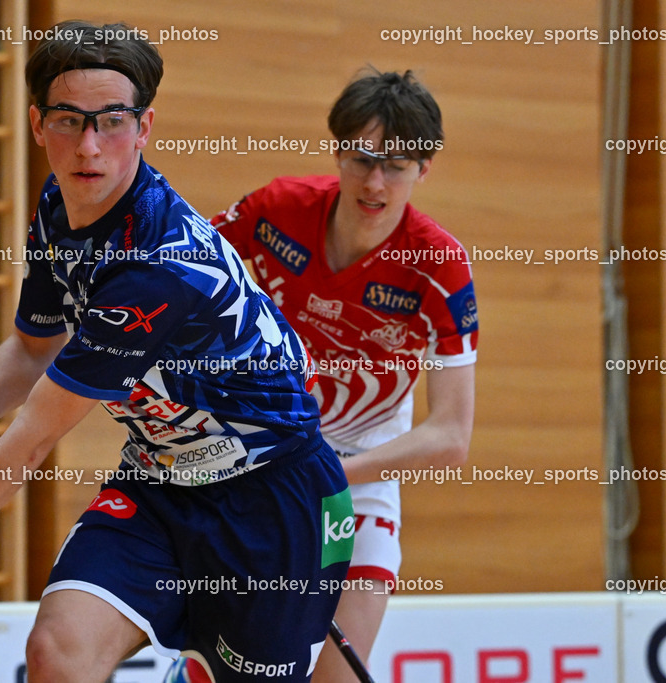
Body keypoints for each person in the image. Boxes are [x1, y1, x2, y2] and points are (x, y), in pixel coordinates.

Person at [0, 20, 353, 683]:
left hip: (272, 500)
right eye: (69, 120)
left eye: (112, 122)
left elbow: (33, 440)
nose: (89, 147)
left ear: (144, 128)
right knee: (57, 654)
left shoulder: (156, 266)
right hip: (157, 485)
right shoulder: (58, 208)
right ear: (38, 124)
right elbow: (33, 346)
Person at [167, 68, 477, 682]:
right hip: (256, 456)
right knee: (225, 668)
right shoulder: (276, 211)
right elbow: (176, 278)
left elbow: (450, 437)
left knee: (336, 675)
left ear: (424, 169)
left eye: (397, 165)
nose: (375, 181)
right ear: (337, 151)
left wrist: (326, 475)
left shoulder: (439, 268)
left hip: (358, 473)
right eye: (362, 159)